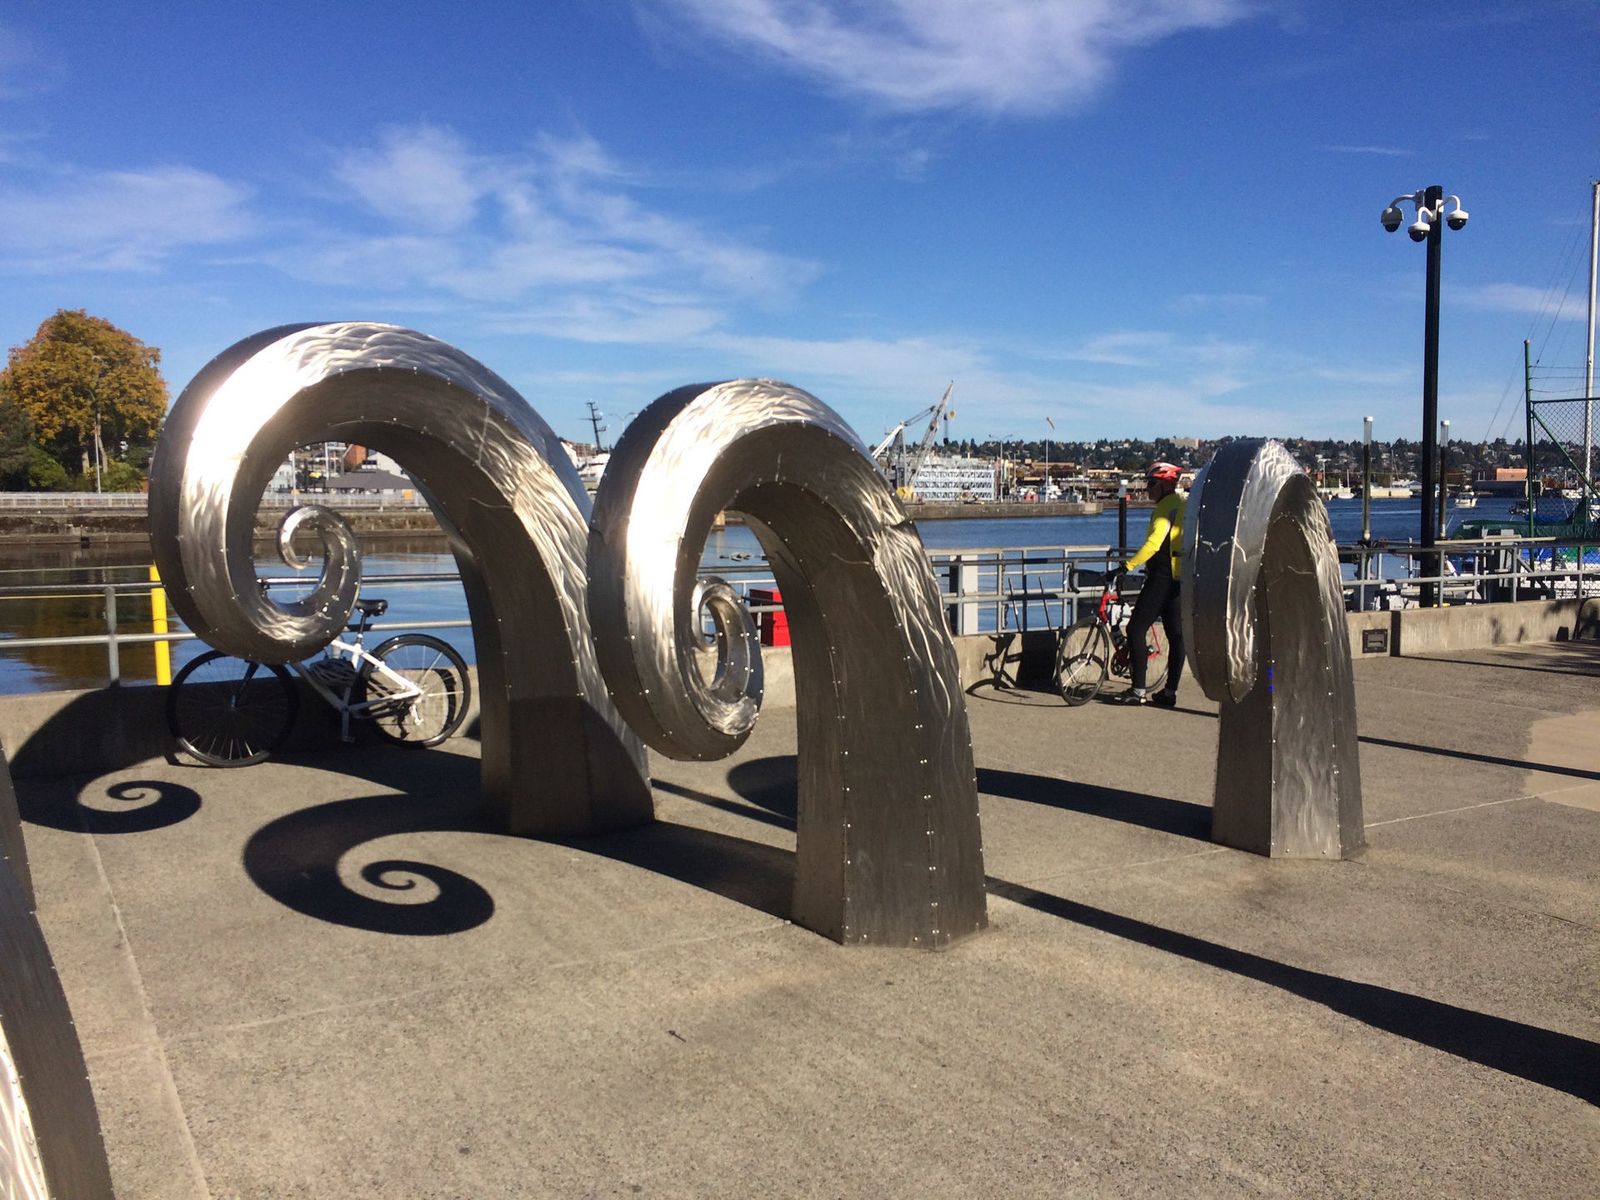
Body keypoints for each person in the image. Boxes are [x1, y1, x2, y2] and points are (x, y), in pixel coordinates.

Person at [1108, 462, 1185, 707]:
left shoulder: (1164, 508)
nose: (1147, 489)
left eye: (1151, 484)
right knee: (1176, 636)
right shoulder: (1183, 505)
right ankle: (1170, 692)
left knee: (1135, 629)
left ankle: (1138, 690)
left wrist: (1125, 567)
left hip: (1161, 576)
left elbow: (1153, 544)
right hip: (1179, 577)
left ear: (1164, 484)